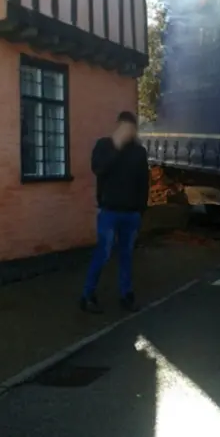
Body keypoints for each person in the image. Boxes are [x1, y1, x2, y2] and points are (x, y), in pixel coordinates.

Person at [80, 111, 150, 314]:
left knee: (127, 256)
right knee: (103, 254)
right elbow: (98, 168)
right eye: (124, 127)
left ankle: (126, 296)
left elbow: (143, 183)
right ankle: (87, 295)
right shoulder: (104, 146)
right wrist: (116, 146)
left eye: (131, 128)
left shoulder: (139, 152)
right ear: (118, 126)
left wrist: (140, 211)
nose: (128, 132)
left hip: (130, 214)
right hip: (109, 212)